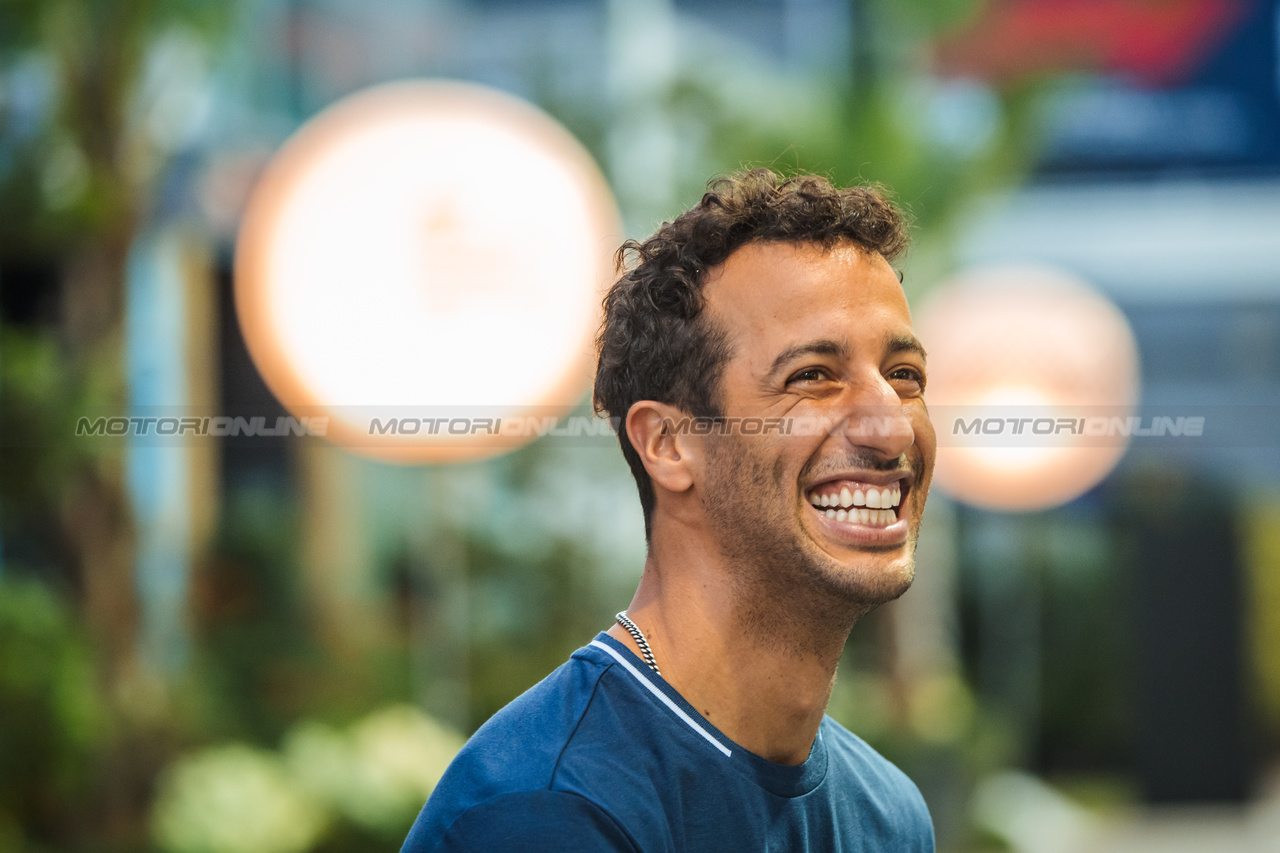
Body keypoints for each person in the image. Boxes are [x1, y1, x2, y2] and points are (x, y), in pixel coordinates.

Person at [402, 169, 937, 852]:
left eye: (905, 377)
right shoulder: (547, 810)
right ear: (669, 442)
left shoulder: (888, 815)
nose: (891, 428)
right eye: (812, 376)